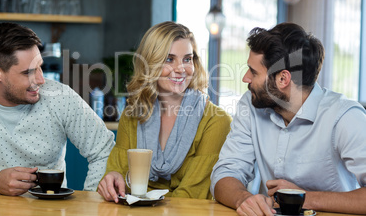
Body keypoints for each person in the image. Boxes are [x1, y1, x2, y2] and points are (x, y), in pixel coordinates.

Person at [210, 22, 366, 215]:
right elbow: (225, 173)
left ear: (283, 79)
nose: (245, 78)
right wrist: (244, 199)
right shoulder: (251, 105)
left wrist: (304, 198)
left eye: (254, 72)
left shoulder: (344, 117)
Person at [0, 22, 115, 196]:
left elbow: (104, 152)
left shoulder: (60, 97)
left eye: (40, 67)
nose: (41, 79)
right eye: (27, 72)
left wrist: (92, 204)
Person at [97, 21, 231, 202]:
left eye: (187, 59)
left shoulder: (216, 122)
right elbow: (118, 179)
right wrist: (113, 180)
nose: (181, 69)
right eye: (169, 59)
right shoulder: (132, 116)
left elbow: (191, 197)